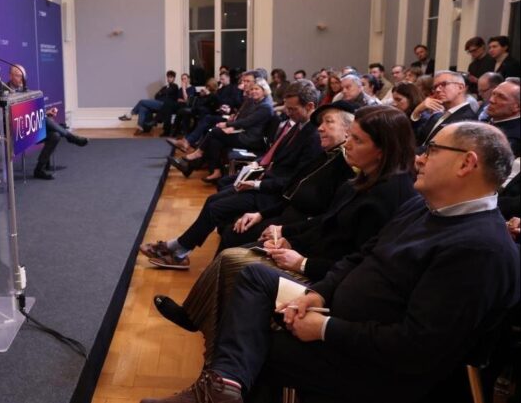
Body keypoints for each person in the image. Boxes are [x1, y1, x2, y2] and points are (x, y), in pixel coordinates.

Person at [141, 121, 519, 403]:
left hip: (375, 364)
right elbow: (360, 256)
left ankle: (220, 387)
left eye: (432, 150)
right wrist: (317, 294)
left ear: (466, 163)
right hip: (339, 312)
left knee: (252, 341)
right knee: (254, 277)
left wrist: (325, 328)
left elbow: (416, 348)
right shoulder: (424, 207)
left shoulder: (479, 250)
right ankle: (221, 389)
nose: (419, 157)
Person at [153, 106, 417, 364]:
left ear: (383, 149)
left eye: (357, 140)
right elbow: (325, 222)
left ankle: (218, 353)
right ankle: (200, 323)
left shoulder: (388, 193)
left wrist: (302, 262)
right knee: (230, 254)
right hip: (314, 255)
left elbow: (359, 261)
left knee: (236, 261)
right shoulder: (363, 179)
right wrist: (288, 236)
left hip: (326, 277)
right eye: (349, 136)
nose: (347, 144)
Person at [142, 81, 322, 270]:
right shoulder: (300, 126)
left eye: (293, 109)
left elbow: (293, 182)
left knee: (216, 207)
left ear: (310, 106)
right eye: (287, 108)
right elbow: (278, 159)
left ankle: (178, 251)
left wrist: (256, 184)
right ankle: (178, 248)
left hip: (272, 197)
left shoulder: (313, 136)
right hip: (266, 184)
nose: (288, 113)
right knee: (212, 200)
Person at [169, 78, 274, 183]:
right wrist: (232, 122)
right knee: (215, 140)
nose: (253, 91)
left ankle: (198, 154)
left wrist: (228, 125)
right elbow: (245, 119)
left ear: (264, 90)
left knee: (215, 132)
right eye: (252, 89)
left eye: (257, 89)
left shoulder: (264, 106)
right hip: (245, 133)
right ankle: (214, 171)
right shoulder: (258, 102)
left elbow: (247, 122)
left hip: (251, 140)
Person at [7, 65, 88, 180]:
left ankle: (39, 169)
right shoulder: (3, 93)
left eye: (23, 76)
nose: (22, 79)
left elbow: (33, 112)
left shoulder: (26, 91)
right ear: (10, 76)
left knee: (55, 135)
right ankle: (70, 137)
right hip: (18, 132)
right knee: (46, 121)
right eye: (18, 76)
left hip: (32, 128)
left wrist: (46, 112)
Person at [411, 70, 478, 151]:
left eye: (444, 84)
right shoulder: (437, 115)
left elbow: (441, 149)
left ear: (460, 87)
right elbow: (416, 138)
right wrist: (417, 111)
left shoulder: (467, 120)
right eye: (435, 87)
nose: (437, 90)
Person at [486, 79, 521, 157]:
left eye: (501, 97)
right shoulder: (490, 120)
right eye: (493, 94)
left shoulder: (513, 138)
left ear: (517, 107)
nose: (491, 100)